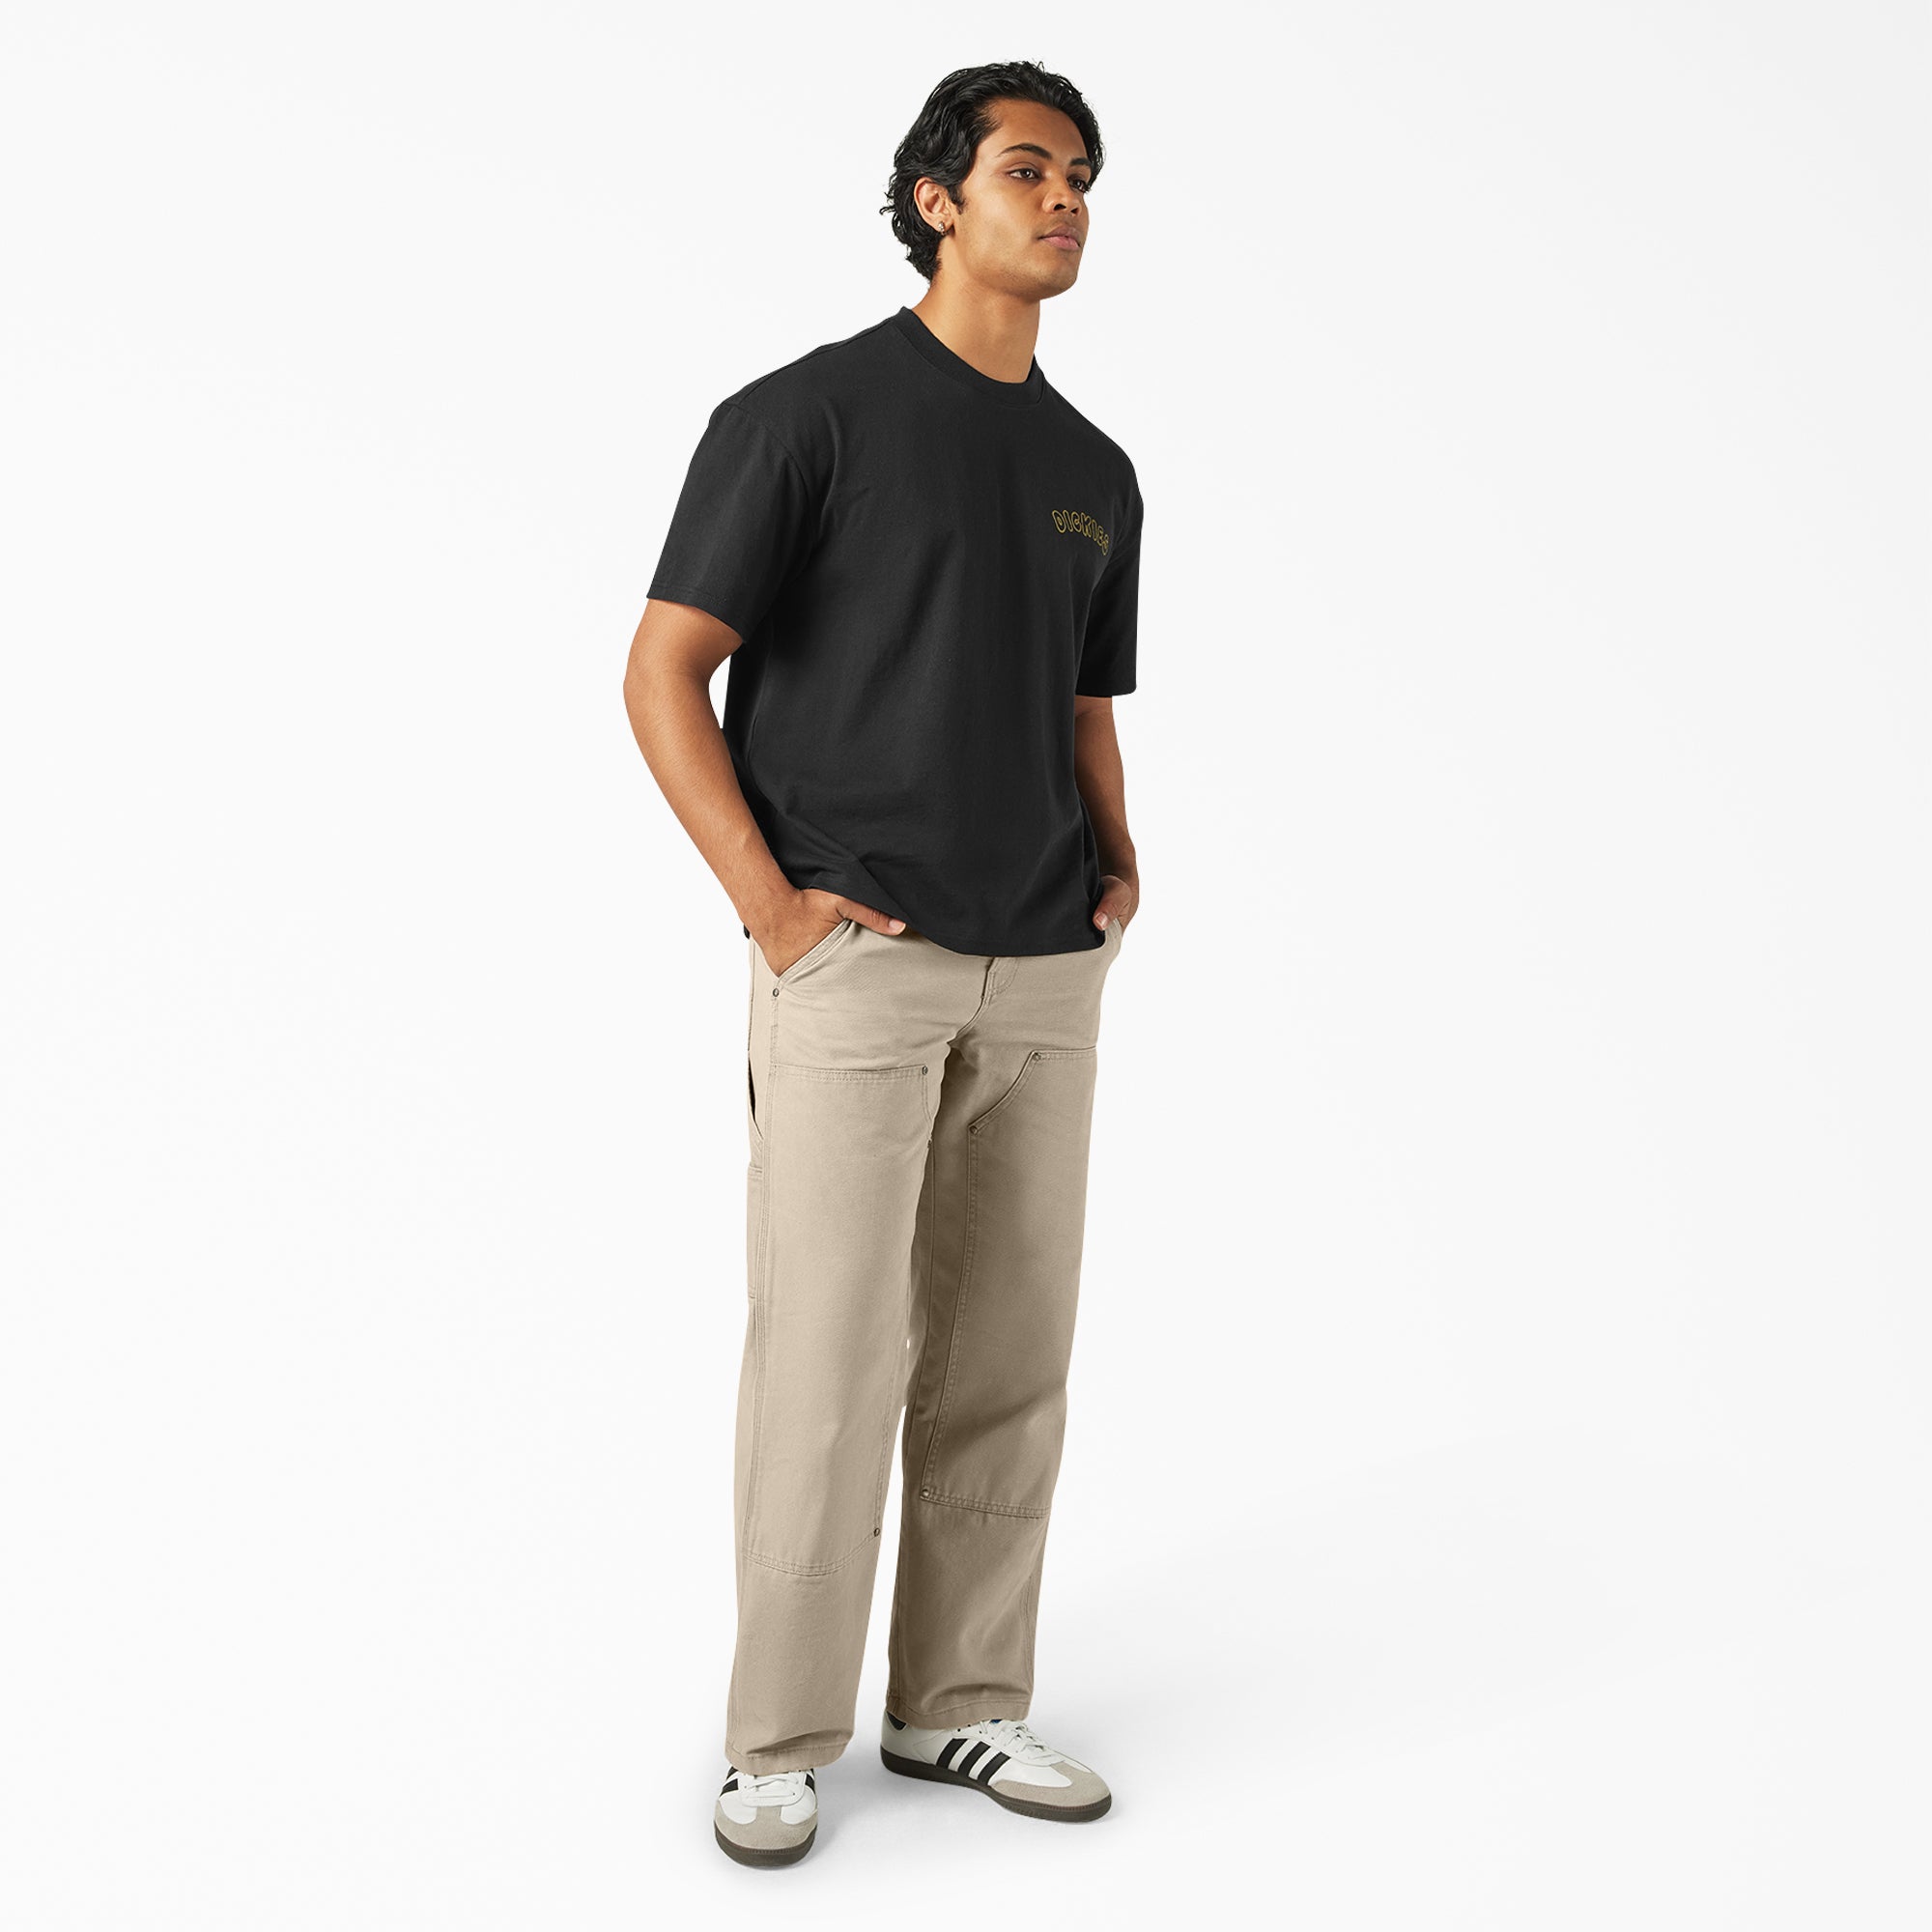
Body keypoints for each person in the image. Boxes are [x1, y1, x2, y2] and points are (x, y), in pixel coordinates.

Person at [622, 60, 1144, 1868]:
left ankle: (959, 1703)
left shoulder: (1094, 472)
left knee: (1009, 1355)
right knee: (830, 1357)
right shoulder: (808, 416)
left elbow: (1083, 701)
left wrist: (1121, 865)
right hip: (859, 956)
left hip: (1044, 966)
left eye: (1081, 177)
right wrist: (773, 913)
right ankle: (777, 1737)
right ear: (937, 198)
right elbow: (663, 669)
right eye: (1027, 169)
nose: (1064, 200)